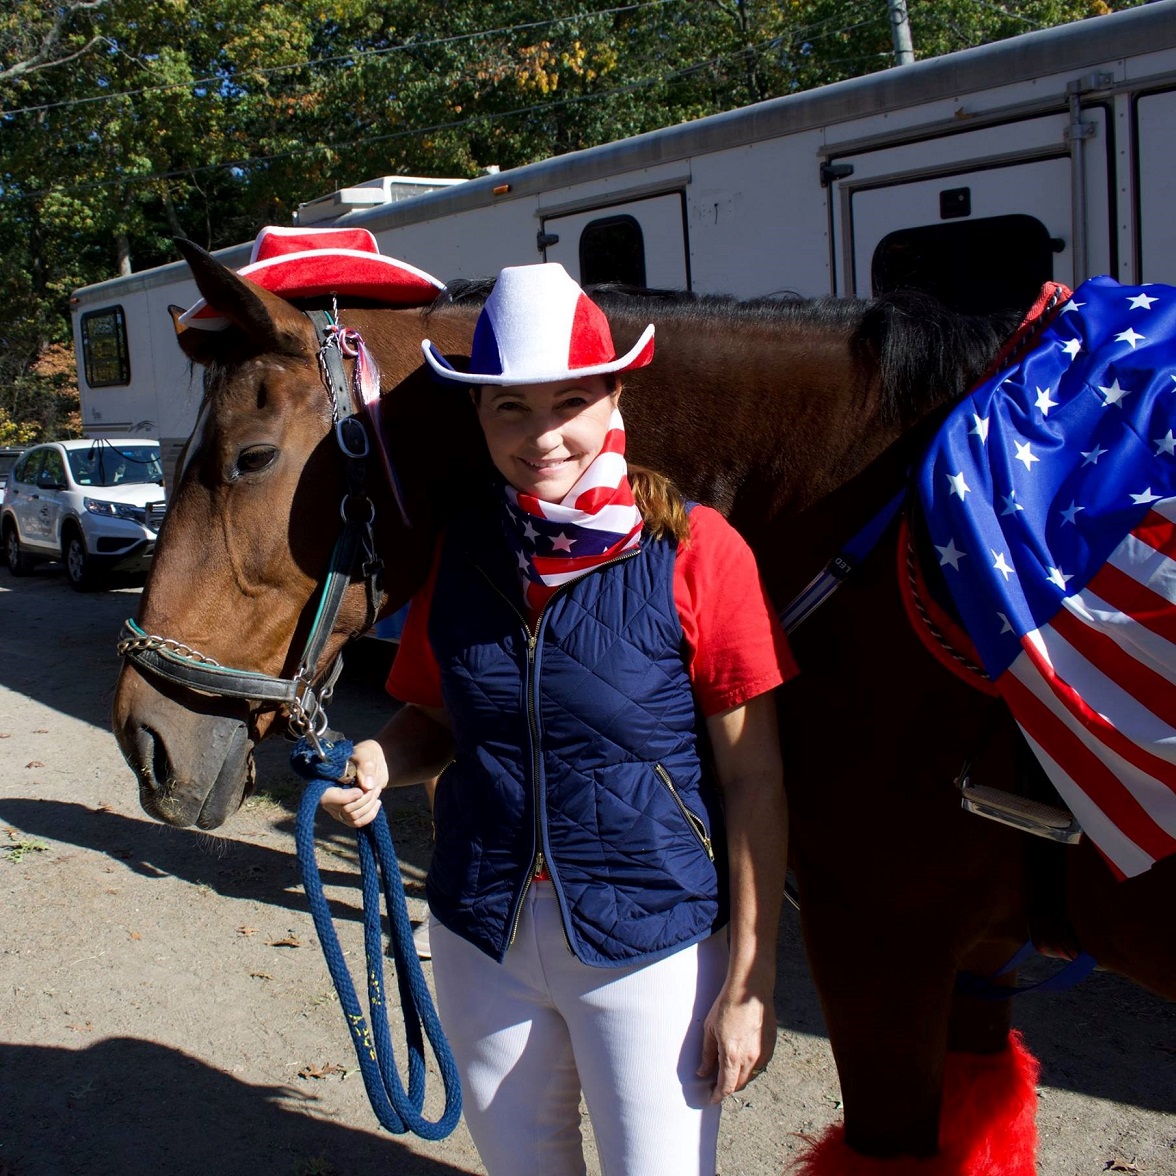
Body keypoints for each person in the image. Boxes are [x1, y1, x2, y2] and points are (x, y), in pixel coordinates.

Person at [320, 262, 794, 1176]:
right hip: (479, 935)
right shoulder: (463, 552)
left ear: (615, 395)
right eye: (511, 408)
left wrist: (751, 979)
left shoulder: (697, 550)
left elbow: (755, 779)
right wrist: (380, 758)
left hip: (650, 945)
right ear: (480, 416)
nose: (543, 436)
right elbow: (436, 719)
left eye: (569, 401)